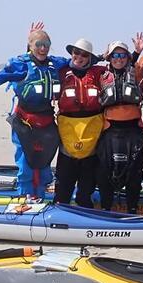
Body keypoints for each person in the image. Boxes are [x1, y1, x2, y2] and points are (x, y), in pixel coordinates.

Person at [0, 22, 67, 198]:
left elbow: (79, 62)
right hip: (25, 124)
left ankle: (41, 196)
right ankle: (24, 199)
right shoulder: (20, 65)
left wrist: (103, 56)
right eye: (38, 44)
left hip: (47, 123)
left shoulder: (55, 63)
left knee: (44, 164)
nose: (43, 48)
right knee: (26, 166)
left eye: (46, 45)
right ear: (30, 46)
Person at [96, 6, 143, 213]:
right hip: (108, 131)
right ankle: (105, 208)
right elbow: (79, 63)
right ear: (109, 57)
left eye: (122, 55)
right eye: (114, 56)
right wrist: (101, 56)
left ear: (127, 58)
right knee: (105, 171)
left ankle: (131, 208)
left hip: (132, 132)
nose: (119, 59)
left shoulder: (137, 71)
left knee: (134, 172)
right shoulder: (101, 74)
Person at [54, 39, 106, 208]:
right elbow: (38, 61)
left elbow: (124, 65)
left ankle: (85, 204)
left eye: (84, 54)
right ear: (71, 53)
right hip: (68, 130)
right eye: (76, 52)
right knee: (64, 179)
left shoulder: (99, 72)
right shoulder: (61, 71)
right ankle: (61, 205)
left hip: (92, 131)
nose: (79, 57)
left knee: (87, 180)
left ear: (90, 57)